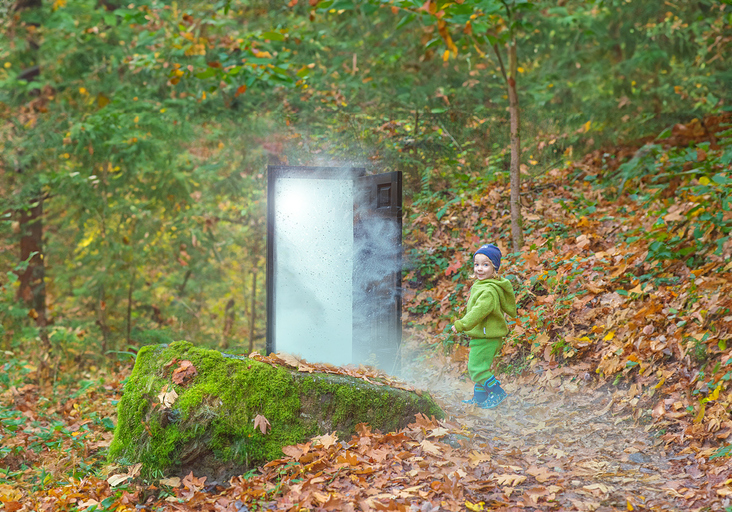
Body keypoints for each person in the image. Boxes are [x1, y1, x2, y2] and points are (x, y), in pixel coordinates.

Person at [451, 243, 517, 409]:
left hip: (487, 337)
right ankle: (480, 397)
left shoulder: (488, 291)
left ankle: (498, 392)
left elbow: (478, 312)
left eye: (485, 265)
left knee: (476, 368)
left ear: (494, 268)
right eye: (477, 264)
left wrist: (461, 324)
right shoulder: (481, 285)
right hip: (483, 336)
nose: (479, 269)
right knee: (480, 367)